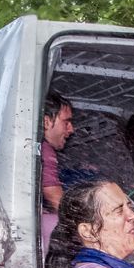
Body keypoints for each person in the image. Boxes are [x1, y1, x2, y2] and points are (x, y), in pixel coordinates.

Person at [40, 93, 75, 255]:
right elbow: (56, 200)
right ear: (46, 122)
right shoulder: (45, 150)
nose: (71, 129)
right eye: (66, 122)